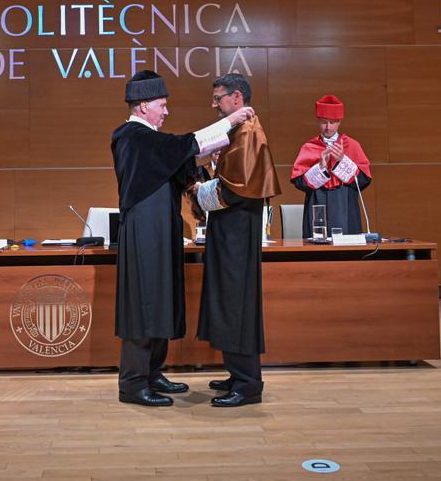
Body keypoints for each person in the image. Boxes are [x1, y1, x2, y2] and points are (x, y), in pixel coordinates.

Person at [111, 70, 254, 407]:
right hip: (144, 233)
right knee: (143, 303)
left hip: (160, 232)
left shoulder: (152, 142)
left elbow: (180, 158)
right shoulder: (131, 136)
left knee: (159, 298)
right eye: (162, 105)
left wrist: (209, 165)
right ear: (144, 106)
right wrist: (231, 120)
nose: (166, 111)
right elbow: (183, 145)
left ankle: (152, 371)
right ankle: (132, 383)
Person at [194, 73, 280, 407]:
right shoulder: (240, 131)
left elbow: (235, 188)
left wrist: (198, 191)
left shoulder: (248, 132)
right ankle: (237, 372)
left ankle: (247, 383)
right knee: (228, 299)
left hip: (238, 232)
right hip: (230, 231)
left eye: (219, 98)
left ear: (237, 98)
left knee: (236, 302)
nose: (214, 104)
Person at [289, 95, 373, 236]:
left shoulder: (352, 145)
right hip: (317, 203)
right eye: (324, 122)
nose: (328, 127)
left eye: (332, 122)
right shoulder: (309, 147)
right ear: (318, 121)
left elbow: (364, 181)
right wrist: (320, 167)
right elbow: (300, 183)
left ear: (339, 122)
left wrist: (342, 160)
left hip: (345, 203)